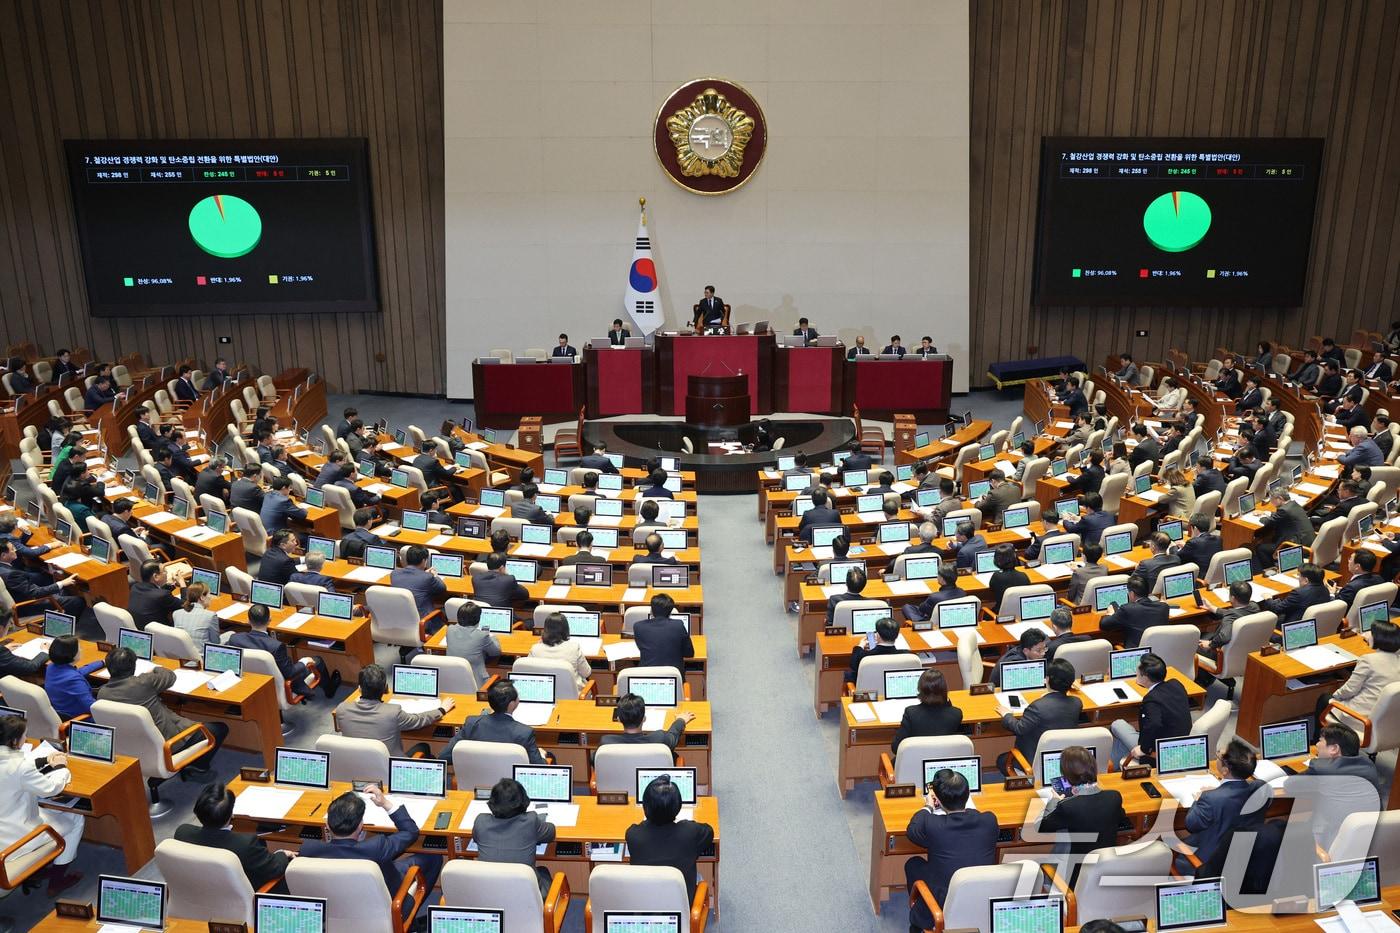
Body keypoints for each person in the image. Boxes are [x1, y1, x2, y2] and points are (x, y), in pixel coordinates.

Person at [300, 784, 442, 922]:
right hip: (392, 908)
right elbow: (410, 832)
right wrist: (385, 803)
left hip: (334, 912)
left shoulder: (308, 851)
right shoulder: (376, 848)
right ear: (361, 825)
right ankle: (408, 921)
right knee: (433, 857)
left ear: (327, 825)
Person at [97, 645, 228, 775]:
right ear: (133, 666)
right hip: (169, 743)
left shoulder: (102, 693)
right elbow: (170, 676)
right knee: (219, 728)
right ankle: (197, 765)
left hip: (132, 746)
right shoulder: (143, 682)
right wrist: (155, 667)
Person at [0, 714, 85, 895]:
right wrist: (62, 768)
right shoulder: (19, 767)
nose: (26, 738)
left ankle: (40, 871)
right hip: (17, 840)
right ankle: (57, 879)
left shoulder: (15, 763)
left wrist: (44, 761)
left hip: (5, 828)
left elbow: (18, 769)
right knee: (76, 817)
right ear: (15, 741)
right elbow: (51, 789)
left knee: (48, 810)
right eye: (24, 735)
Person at [903, 769, 998, 930]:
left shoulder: (933, 825)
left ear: (937, 799)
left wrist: (928, 806)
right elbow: (975, 818)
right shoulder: (989, 820)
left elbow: (913, 831)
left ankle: (923, 914)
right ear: (967, 795)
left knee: (913, 864)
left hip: (943, 901)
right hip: (981, 895)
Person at [175, 783, 292, 892]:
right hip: (244, 895)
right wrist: (282, 853)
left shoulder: (182, 833)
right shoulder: (245, 844)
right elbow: (275, 869)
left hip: (200, 892)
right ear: (231, 814)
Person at [1282, 724, 1382, 849]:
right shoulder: (1368, 764)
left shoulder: (1321, 769)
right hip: (1372, 836)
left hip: (1334, 837)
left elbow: (1289, 785)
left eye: (1320, 741)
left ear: (1334, 749)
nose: (1317, 745)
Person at [1034, 744, 1125, 876]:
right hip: (1107, 868)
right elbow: (1121, 817)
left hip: (1075, 875)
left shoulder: (1067, 806)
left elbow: (1040, 826)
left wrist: (1054, 800)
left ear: (1066, 774)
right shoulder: (1114, 796)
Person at [625, 775, 714, 903]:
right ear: (678, 807)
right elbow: (709, 831)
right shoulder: (690, 832)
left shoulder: (633, 835)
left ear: (645, 807)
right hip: (681, 907)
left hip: (644, 905)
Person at [1181, 739, 1265, 870]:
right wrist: (1217, 791)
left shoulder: (1210, 799)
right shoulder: (1261, 788)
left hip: (1210, 860)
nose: (1218, 753)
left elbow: (1190, 825)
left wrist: (1199, 798)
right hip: (1245, 854)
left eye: (1219, 756)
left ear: (1225, 771)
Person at [334, 664, 450, 757]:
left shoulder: (342, 709)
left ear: (359, 689)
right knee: (424, 747)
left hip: (357, 764)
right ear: (385, 688)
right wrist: (441, 709)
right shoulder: (393, 713)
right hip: (391, 769)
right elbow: (418, 720)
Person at [229, 604, 339, 700]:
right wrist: (304, 662)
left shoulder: (234, 639)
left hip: (253, 683)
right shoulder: (276, 646)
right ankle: (329, 690)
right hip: (281, 684)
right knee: (317, 660)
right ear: (269, 620)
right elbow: (290, 673)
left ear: (248, 621)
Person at [473, 777, 557, 895]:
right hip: (526, 894)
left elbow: (476, 839)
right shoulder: (531, 821)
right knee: (543, 871)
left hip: (490, 892)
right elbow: (551, 832)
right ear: (523, 801)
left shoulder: (480, 821)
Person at [1319, 619, 1400, 737]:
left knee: (1324, 699)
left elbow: (1350, 690)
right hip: (1387, 719)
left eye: (1371, 633)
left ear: (1378, 638)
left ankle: (1319, 740)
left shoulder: (1368, 660)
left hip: (1360, 718)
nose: (1367, 636)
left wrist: (1335, 696)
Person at [999, 659, 1082, 772]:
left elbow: (1019, 728)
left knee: (1001, 760)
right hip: (1064, 759)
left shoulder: (1038, 707)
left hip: (1033, 761)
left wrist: (1006, 715)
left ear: (1047, 679)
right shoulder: (1077, 703)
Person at [1111, 653, 1192, 766]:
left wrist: (1144, 749)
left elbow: (1153, 724)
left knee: (1117, 724)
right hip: (1181, 744)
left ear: (1145, 677)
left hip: (1158, 751)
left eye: (1138, 672)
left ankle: (1115, 764)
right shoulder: (1176, 684)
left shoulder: (1151, 700)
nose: (1136, 673)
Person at [445, 679, 547, 764]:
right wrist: (541, 755)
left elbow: (445, 756)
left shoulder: (472, 724)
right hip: (509, 787)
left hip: (472, 784)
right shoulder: (525, 733)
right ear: (512, 704)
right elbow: (539, 768)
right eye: (517, 697)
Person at [1195, 580, 1259, 687]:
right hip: (1245, 652)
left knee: (1191, 643)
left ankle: (1201, 682)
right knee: (1205, 634)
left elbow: (1224, 637)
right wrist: (1213, 609)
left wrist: (1210, 644)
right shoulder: (1254, 606)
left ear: (1232, 598)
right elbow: (1238, 613)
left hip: (1220, 653)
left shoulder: (1230, 617)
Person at [599, 693, 695, 756]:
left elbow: (595, 760)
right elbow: (673, 735)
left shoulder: (606, 743)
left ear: (619, 719)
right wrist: (681, 720)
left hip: (618, 785)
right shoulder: (659, 739)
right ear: (644, 719)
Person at [891, 669, 963, 751]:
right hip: (941, 760)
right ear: (944, 690)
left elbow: (896, 748)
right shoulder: (956, 714)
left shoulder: (911, 713)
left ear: (920, 689)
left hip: (913, 761)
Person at [1099, 574, 1167, 648]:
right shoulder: (1164, 607)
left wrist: (1110, 613)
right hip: (1158, 651)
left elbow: (1104, 625)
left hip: (1136, 654)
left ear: (1131, 594)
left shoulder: (1127, 609)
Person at [42, 635, 102, 719]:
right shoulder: (74, 680)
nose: (81, 650)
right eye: (79, 648)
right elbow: (92, 707)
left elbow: (77, 672)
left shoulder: (51, 667)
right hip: (81, 718)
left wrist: (102, 662)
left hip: (63, 709)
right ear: (72, 654)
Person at [529, 612, 591, 693]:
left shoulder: (535, 649)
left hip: (544, 693)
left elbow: (528, 673)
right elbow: (587, 673)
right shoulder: (574, 648)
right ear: (566, 629)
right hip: (573, 696)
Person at [444, 601, 501, 686]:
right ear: (478, 619)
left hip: (452, 680)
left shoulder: (450, 629)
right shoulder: (482, 635)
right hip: (477, 683)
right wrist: (491, 636)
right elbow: (496, 652)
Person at [634, 593, 695, 672]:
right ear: (670, 612)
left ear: (651, 610)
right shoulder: (678, 625)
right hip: (674, 675)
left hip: (647, 675)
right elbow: (689, 653)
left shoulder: (638, 626)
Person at [1258, 563, 1329, 625]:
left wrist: (1268, 598)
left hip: (1291, 627)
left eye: (1299, 576)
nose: (1298, 578)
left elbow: (1276, 609)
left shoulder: (1298, 593)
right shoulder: (1325, 590)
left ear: (1306, 580)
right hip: (1313, 624)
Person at [846, 616, 910, 684]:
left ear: (877, 635)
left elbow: (853, 665)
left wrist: (860, 645)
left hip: (870, 692)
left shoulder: (864, 656)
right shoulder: (907, 655)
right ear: (897, 636)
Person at [390, 544, 447, 619]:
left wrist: (425, 574)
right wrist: (435, 575)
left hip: (400, 618)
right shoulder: (427, 577)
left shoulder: (394, 574)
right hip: (423, 622)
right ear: (424, 560)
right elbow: (442, 588)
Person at [127, 559, 182, 630]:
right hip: (162, 634)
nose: (166, 573)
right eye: (164, 571)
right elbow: (186, 604)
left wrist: (173, 585)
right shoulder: (162, 595)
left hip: (140, 629)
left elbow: (155, 591)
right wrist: (182, 582)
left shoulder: (135, 587)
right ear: (156, 576)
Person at [902, 566, 968, 622]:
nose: (937, 577)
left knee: (907, 607)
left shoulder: (934, 597)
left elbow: (922, 609)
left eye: (938, 575)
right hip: (955, 618)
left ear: (942, 579)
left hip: (935, 622)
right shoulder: (962, 592)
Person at [172, 580, 220, 654]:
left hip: (182, 655)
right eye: (209, 594)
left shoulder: (176, 613)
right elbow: (216, 643)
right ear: (202, 597)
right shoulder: (210, 616)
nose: (210, 597)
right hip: (202, 656)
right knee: (230, 634)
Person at [987, 543, 1030, 610]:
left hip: (1001, 612)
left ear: (997, 561)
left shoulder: (997, 576)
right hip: (1022, 610)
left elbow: (992, 590)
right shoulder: (1024, 576)